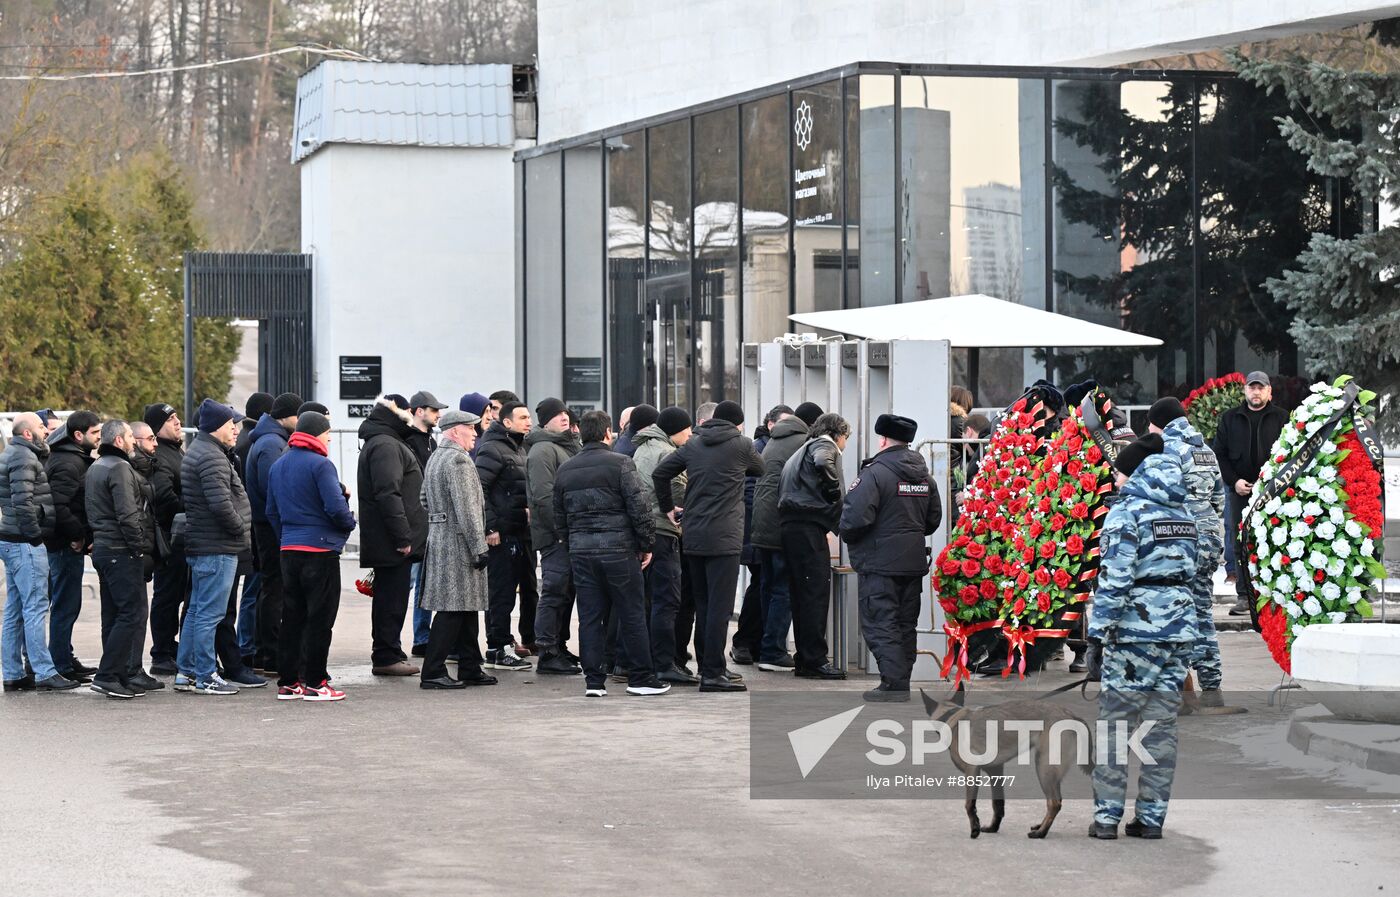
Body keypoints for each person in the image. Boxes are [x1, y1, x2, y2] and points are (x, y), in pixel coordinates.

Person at [1085, 434, 1200, 840]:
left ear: (1133, 473)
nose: (1114, 480)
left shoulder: (1126, 513)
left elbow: (1115, 579)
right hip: (1179, 631)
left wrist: (1097, 636)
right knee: (1161, 727)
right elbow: (1197, 573)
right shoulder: (1184, 513)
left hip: (1134, 632)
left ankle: (1106, 818)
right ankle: (1151, 820)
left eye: (1117, 473)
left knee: (1115, 725)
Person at [652, 400, 764, 692]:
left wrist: (668, 508)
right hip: (725, 538)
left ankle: (708, 667)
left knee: (702, 604)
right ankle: (713, 673)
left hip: (694, 535)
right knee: (720, 609)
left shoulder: (694, 444)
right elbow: (760, 469)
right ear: (738, 423)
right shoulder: (741, 444)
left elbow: (660, 474)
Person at [554, 410, 667, 697]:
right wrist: (646, 545)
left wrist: (572, 545)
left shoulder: (566, 469)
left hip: (582, 553)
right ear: (607, 434)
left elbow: (559, 516)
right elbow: (639, 509)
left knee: (590, 616)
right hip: (619, 552)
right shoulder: (621, 463)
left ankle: (594, 682)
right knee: (631, 614)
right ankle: (641, 678)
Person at [839, 413, 942, 702]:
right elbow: (933, 520)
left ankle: (894, 685)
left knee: (881, 622)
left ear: (882, 439)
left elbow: (854, 519)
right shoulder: (925, 476)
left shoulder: (874, 473)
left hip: (879, 564)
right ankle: (898, 680)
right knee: (904, 624)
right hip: (912, 563)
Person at [1149, 397, 1236, 711]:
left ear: (1160, 422)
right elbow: (1218, 498)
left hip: (1180, 539)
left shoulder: (1167, 449)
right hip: (1209, 536)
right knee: (1201, 612)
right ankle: (1212, 688)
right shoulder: (1205, 450)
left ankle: (1180, 693)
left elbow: (1158, 498)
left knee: (1174, 613)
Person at [266, 410, 357, 701]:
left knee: (292, 618)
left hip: (289, 549)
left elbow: (271, 511)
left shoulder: (278, 465)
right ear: (318, 433)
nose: (330, 437)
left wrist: (288, 536)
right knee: (320, 620)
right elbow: (334, 507)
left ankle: (289, 683)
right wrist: (349, 522)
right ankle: (317, 683)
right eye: (328, 433)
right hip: (319, 552)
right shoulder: (321, 465)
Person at [178, 399, 261, 695]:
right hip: (217, 546)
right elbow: (220, 504)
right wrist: (241, 527)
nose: (237, 429)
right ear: (216, 427)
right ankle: (205, 675)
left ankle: (186, 673)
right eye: (231, 424)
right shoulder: (211, 457)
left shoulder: (202, 451)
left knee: (197, 611)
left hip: (208, 545)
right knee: (209, 614)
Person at [415, 410, 500, 691]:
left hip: (441, 539)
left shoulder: (437, 457)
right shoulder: (459, 461)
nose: (475, 433)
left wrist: (440, 519)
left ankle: (469, 666)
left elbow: (424, 499)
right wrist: (479, 546)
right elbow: (468, 510)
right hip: (460, 543)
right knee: (452, 610)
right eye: (470, 429)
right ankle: (433, 671)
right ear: (453, 431)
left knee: (465, 608)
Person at [0, 413, 78, 692]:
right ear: (28, 434)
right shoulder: (24, 457)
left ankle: (13, 672)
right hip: (24, 541)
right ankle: (44, 672)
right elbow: (23, 501)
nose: (47, 431)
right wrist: (35, 535)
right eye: (41, 427)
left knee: (16, 609)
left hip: (12, 540)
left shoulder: (14, 452)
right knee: (34, 607)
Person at [86, 420, 159, 699]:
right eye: (130, 436)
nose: (132, 441)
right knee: (132, 612)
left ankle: (116, 675)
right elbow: (127, 514)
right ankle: (107, 675)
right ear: (118, 441)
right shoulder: (119, 467)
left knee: (114, 614)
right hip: (120, 550)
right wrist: (139, 547)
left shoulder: (97, 466)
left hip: (105, 549)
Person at [746, 402, 820, 671]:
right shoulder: (803, 443)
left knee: (768, 586)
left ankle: (767, 645)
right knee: (783, 589)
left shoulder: (776, 440)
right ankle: (773, 651)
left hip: (763, 524)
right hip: (781, 524)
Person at [356, 396, 427, 676]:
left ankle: (391, 651)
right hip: (393, 543)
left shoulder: (386, 441)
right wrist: (403, 537)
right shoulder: (386, 445)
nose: (411, 414)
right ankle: (386, 656)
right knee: (390, 601)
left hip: (391, 540)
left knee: (393, 599)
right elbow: (388, 493)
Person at [779, 412, 851, 680]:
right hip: (807, 527)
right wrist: (833, 490)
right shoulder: (823, 445)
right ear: (838, 434)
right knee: (814, 595)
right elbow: (824, 461)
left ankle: (805, 659)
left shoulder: (801, 451)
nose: (844, 445)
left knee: (802, 595)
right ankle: (814, 660)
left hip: (794, 527)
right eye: (846, 439)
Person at [1212, 371, 1286, 614]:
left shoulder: (1282, 418)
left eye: (1260, 388)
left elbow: (1289, 454)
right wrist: (1234, 482)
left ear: (1269, 391)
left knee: (1274, 541)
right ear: (1245, 391)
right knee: (1241, 542)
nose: (1256, 392)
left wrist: (1270, 483)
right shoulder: (1230, 418)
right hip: (1239, 492)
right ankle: (1244, 595)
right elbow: (1219, 454)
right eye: (1252, 388)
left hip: (1273, 494)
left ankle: (1272, 595)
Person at [632, 405, 695, 684]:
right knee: (667, 601)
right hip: (664, 530)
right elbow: (679, 489)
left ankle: (650, 659)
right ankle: (664, 663)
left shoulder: (643, 447)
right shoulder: (668, 452)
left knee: (648, 600)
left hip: (644, 530)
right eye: (688, 430)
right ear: (677, 431)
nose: (691, 435)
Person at [733, 403, 798, 666]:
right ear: (770, 424)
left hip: (761, 528)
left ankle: (754, 643)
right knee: (762, 585)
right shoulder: (758, 448)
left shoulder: (769, 446)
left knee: (763, 584)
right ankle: (746, 642)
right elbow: (751, 491)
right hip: (756, 528)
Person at [242, 391, 302, 672]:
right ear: (285, 417)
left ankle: (266, 653)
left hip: (268, 524)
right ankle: (270, 655)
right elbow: (274, 488)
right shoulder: (270, 444)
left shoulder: (271, 440)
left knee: (271, 589)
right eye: (297, 415)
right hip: (270, 527)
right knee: (274, 590)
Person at [476, 400, 536, 671]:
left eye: (529, 417)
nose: (529, 421)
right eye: (523, 417)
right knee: (500, 593)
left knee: (514, 592)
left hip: (519, 532)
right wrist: (491, 527)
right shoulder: (492, 448)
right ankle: (497, 648)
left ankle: (503, 644)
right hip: (501, 535)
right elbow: (480, 490)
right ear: (507, 422)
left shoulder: (519, 447)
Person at [526, 397, 583, 675]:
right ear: (545, 421)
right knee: (554, 590)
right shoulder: (542, 450)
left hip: (569, 534)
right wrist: (562, 530)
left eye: (565, 413)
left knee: (566, 591)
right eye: (557, 414)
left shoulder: (566, 446)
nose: (564, 417)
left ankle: (559, 645)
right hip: (555, 536)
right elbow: (543, 496)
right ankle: (547, 651)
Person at [44, 409, 102, 682]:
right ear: (78, 435)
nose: (99, 439)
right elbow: (59, 506)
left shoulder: (73, 458)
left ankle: (64, 657)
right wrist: (78, 535)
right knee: (66, 605)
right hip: (65, 544)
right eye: (95, 434)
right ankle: (61, 664)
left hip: (67, 542)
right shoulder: (69, 463)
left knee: (68, 604)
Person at [402, 390, 449, 657]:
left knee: (425, 581)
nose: (438, 415)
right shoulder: (409, 441)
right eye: (434, 410)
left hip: (429, 520)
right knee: (413, 581)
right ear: (419, 411)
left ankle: (422, 637)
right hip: (415, 521)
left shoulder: (431, 441)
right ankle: (416, 638)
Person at [144, 402, 187, 675]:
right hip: (170, 536)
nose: (178, 422)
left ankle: (170, 648)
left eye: (177, 417)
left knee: (176, 595)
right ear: (158, 428)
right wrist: (193, 504)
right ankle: (161, 653)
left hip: (181, 534)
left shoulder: (175, 452)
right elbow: (164, 497)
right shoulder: (160, 457)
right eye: (171, 419)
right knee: (167, 596)